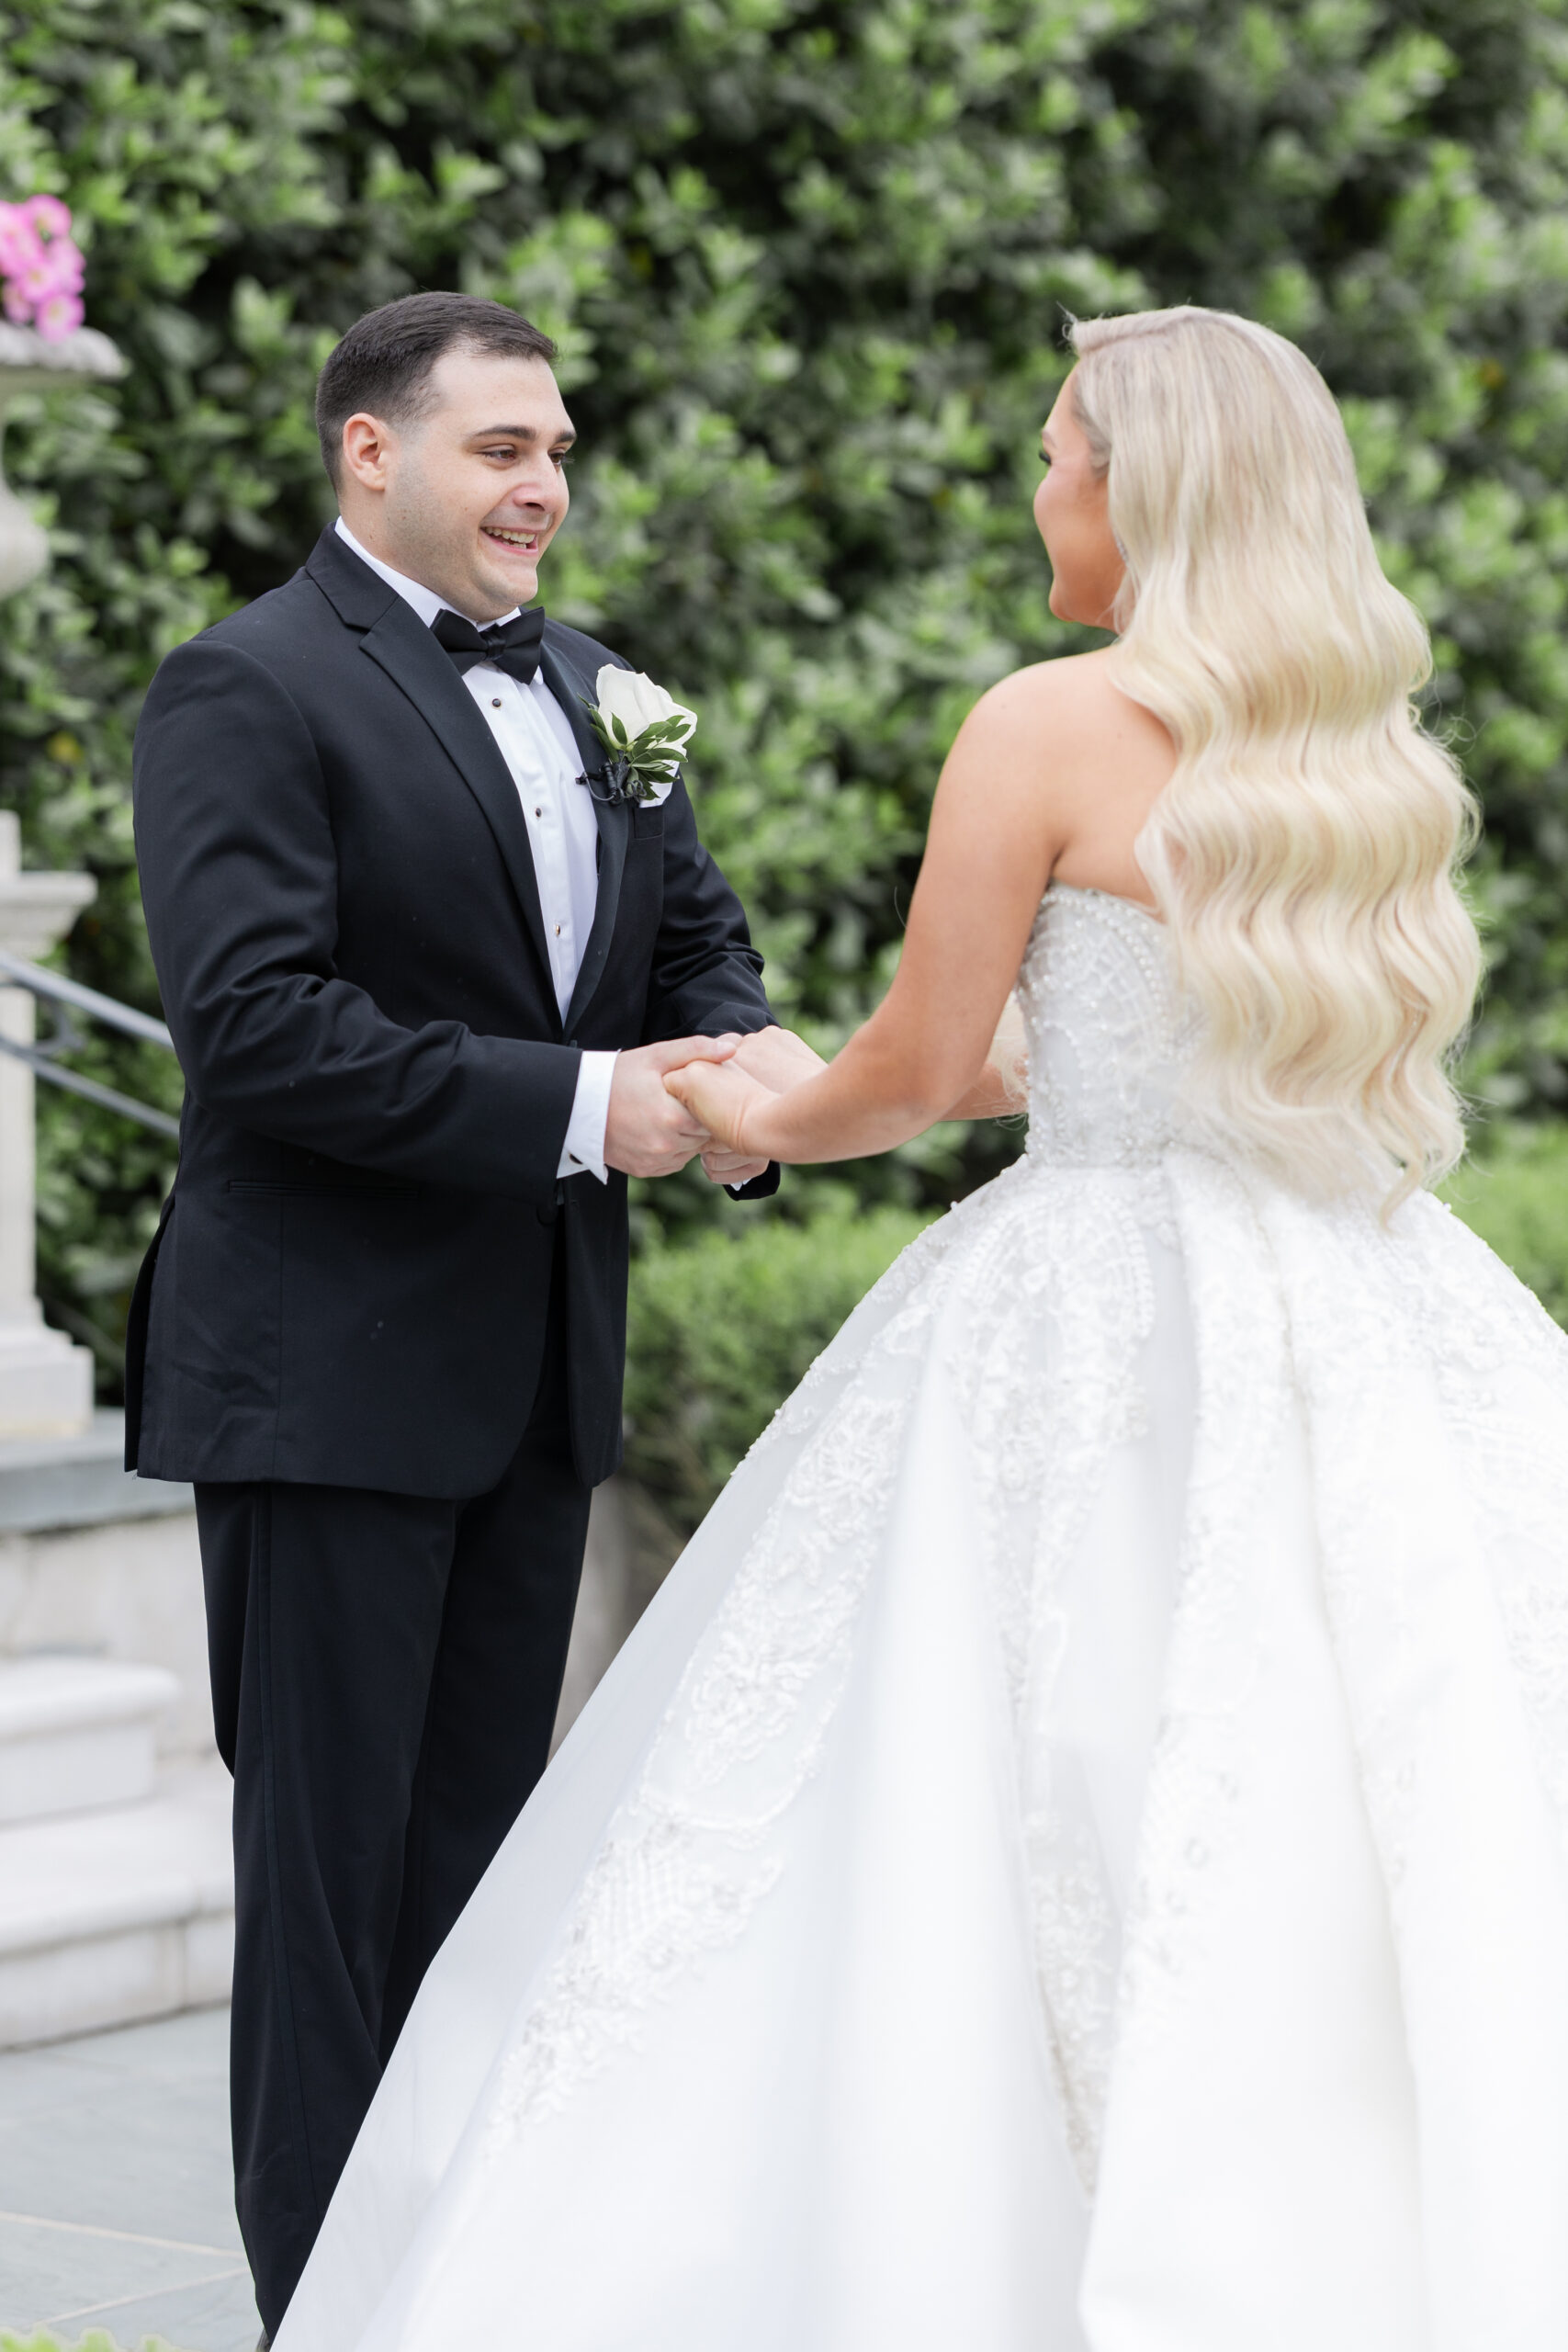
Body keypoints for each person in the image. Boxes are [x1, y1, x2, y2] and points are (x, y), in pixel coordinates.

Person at [275, 306, 1568, 2351]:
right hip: (1351, 1284)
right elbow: (1119, 1042)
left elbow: (908, 1061)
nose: (1033, 485)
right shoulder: (1362, 743)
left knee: (956, 1793)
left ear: (1135, 485)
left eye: (1056, 450)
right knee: (1355, 1787)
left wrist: (741, 1104)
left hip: (1086, 1311)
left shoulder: (1046, 719)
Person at [126, 291, 825, 2344]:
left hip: (532, 1388)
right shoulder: (243, 685)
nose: (544, 486)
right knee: (331, 1926)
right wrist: (597, 1106)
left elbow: (699, 951)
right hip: (323, 1389)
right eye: (499, 447)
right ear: (369, 451)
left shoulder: (609, 690)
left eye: (557, 449)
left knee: (484, 1902)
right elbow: (255, 1030)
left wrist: (762, 1097)